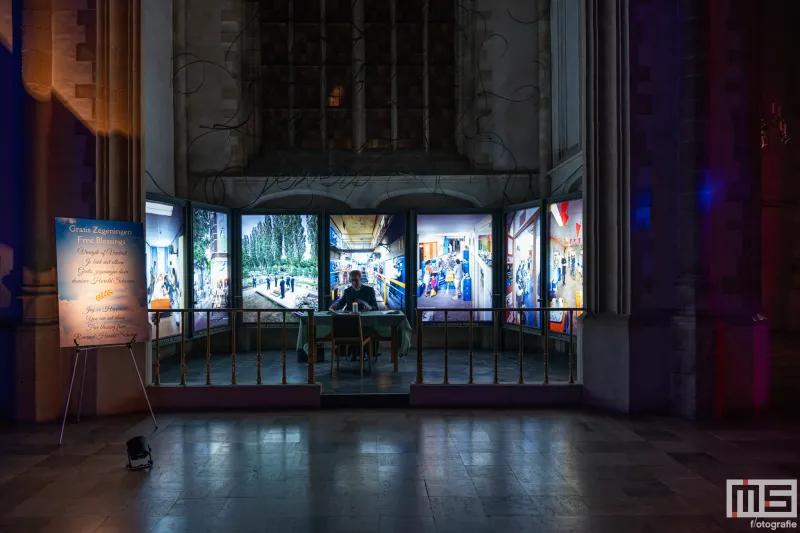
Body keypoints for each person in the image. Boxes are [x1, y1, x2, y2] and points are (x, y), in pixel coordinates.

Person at [329, 270, 379, 361]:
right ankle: (355, 352)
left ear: (361, 279)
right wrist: (335, 305)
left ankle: (360, 352)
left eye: (356, 280)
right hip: (351, 321)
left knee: (364, 329)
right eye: (352, 280)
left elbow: (375, 306)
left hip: (365, 321)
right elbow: (341, 302)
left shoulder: (369, 290)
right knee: (351, 328)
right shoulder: (347, 291)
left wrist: (370, 308)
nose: (354, 283)